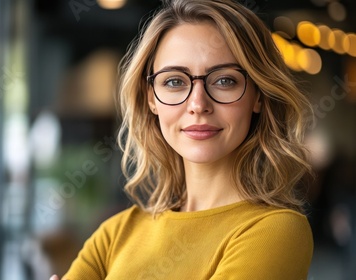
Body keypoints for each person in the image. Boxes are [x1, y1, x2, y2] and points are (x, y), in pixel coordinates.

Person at [51, 0, 314, 279]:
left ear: (258, 95)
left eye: (224, 80)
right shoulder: (113, 234)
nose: (198, 104)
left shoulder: (276, 231)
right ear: (152, 97)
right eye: (175, 81)